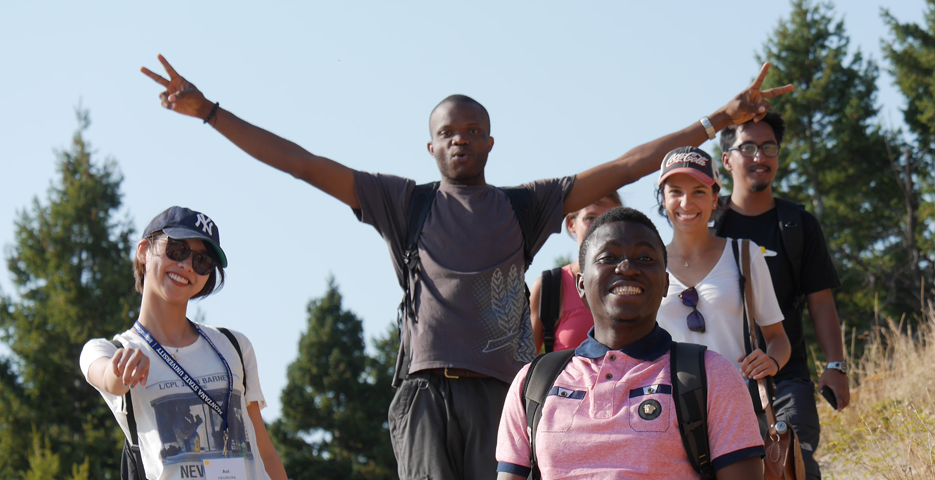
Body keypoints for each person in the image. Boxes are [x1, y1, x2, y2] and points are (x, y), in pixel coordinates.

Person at [140, 54, 792, 479]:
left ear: (489, 140)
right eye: (448, 132)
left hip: (501, 392)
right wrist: (211, 113)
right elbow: (304, 163)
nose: (460, 139)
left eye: (472, 130)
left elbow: (625, 166)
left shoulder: (524, 205)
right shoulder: (406, 203)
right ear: (430, 145)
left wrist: (717, 120)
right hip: (423, 391)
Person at [495, 207, 764, 479]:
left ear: (665, 284)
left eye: (645, 258)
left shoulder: (712, 375)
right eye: (608, 257)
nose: (626, 268)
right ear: (580, 286)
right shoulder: (532, 383)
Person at [79, 206, 288, 480]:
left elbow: (265, 451)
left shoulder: (234, 345)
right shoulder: (110, 351)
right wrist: (120, 370)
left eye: (202, 262)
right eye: (177, 250)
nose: (187, 265)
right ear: (143, 251)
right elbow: (108, 377)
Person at [710, 112, 847, 480]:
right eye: (749, 147)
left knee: (793, 460)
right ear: (727, 160)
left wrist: (836, 365)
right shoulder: (708, 227)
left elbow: (820, 302)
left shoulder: (797, 225)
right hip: (718, 381)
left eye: (769, 147)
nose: (760, 156)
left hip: (788, 377)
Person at [653, 147, 790, 398]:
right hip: (668, 412)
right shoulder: (649, 264)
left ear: (715, 199)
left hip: (736, 407)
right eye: (675, 192)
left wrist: (771, 360)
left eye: (699, 192)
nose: (686, 203)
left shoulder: (744, 254)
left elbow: (778, 338)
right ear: (663, 198)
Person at [529, 192, 621, 353]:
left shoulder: (635, 282)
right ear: (571, 224)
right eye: (590, 218)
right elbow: (524, 365)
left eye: (609, 218)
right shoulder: (549, 288)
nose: (600, 226)